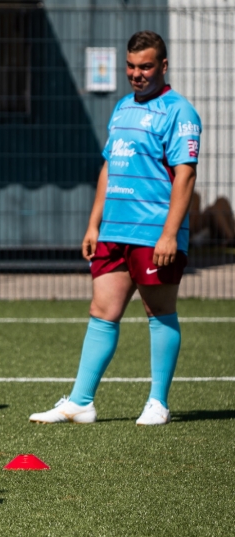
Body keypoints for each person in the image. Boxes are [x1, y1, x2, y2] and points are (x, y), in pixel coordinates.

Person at [30, 31, 200, 427]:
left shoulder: (180, 111)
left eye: (145, 66)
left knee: (158, 311)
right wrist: (93, 225)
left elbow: (186, 176)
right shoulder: (122, 107)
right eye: (131, 66)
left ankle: (157, 402)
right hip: (113, 232)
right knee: (101, 312)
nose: (136, 74)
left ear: (163, 66)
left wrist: (171, 234)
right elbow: (110, 166)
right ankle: (80, 402)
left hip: (154, 232)